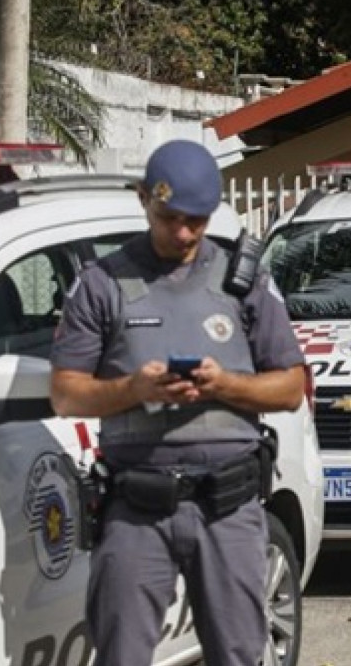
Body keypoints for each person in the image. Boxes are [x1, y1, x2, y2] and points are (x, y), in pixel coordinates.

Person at [49, 139, 306, 666]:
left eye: (197, 220)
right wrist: (133, 390)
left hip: (228, 508)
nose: (184, 233)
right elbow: (65, 393)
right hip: (138, 507)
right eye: (169, 218)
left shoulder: (243, 280)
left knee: (238, 654)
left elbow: (290, 387)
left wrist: (223, 386)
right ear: (144, 199)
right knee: (121, 653)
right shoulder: (103, 283)